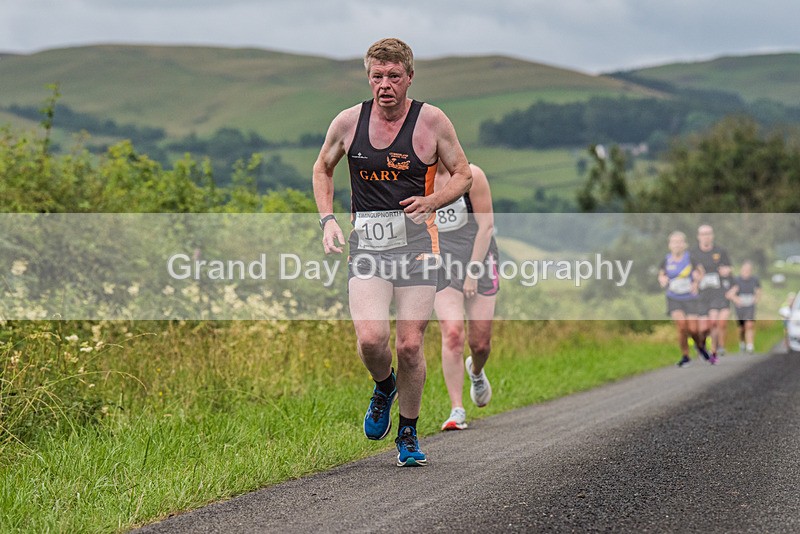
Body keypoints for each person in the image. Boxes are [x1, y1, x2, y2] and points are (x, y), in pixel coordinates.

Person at [312, 38, 472, 467]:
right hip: (368, 246)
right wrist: (327, 220)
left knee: (409, 345)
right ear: (369, 77)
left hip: (419, 247)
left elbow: (463, 174)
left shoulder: (432, 121)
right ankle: (384, 386)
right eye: (377, 76)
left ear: (409, 77)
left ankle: (407, 432)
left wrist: (434, 202)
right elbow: (322, 167)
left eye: (394, 76)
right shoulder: (348, 122)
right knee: (370, 339)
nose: (385, 85)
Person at [433, 162, 499, 431]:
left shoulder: (473, 175)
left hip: (479, 258)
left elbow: (486, 227)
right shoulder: (418, 178)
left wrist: (472, 271)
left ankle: (476, 371)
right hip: (442, 262)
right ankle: (456, 409)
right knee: (452, 332)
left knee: (480, 343)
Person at [658, 231, 711, 367]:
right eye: (674, 242)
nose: (676, 245)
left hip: (690, 298)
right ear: (669, 245)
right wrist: (663, 280)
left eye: (679, 242)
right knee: (682, 326)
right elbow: (661, 275)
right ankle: (685, 356)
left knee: (693, 329)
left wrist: (696, 282)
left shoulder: (690, 258)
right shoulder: (666, 260)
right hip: (674, 297)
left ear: (684, 244)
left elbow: (701, 272)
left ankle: (700, 347)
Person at [691, 224, 732, 362]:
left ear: (712, 235)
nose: (706, 236)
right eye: (703, 234)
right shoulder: (693, 253)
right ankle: (701, 346)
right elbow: (687, 271)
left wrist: (726, 271)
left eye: (708, 233)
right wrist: (694, 277)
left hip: (716, 292)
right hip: (701, 293)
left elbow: (728, 268)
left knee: (714, 322)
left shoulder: (720, 251)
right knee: (703, 327)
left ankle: (714, 351)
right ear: (698, 237)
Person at [726, 261, 762, 354]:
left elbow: (758, 291)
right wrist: (736, 299)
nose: (746, 272)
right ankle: (742, 343)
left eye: (748, 270)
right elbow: (729, 294)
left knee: (749, 324)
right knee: (741, 327)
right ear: (741, 270)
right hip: (740, 306)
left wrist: (756, 299)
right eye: (745, 270)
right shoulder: (736, 280)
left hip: (750, 305)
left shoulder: (755, 280)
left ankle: (750, 346)